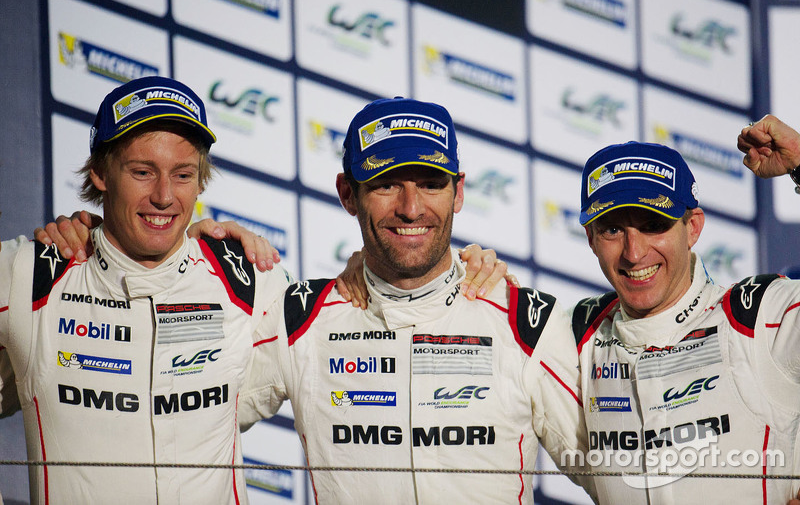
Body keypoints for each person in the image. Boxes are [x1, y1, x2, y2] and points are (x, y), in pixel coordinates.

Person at [238, 97, 592, 503]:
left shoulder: (528, 324)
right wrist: (182, 256)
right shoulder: (299, 320)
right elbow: (183, 417)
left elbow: (619, 476)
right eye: (386, 184)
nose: (410, 209)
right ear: (348, 194)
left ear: (458, 192)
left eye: (430, 184)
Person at [0, 75, 295, 504]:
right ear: (100, 172)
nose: (163, 196)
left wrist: (361, 265)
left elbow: (364, 318)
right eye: (142, 172)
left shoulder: (248, 280)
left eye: (182, 175)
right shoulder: (30, 274)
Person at [570, 116, 800, 503]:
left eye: (652, 224)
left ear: (692, 227)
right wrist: (472, 273)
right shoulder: (575, 339)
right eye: (612, 230)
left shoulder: (758, 316)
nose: (634, 252)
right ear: (590, 238)